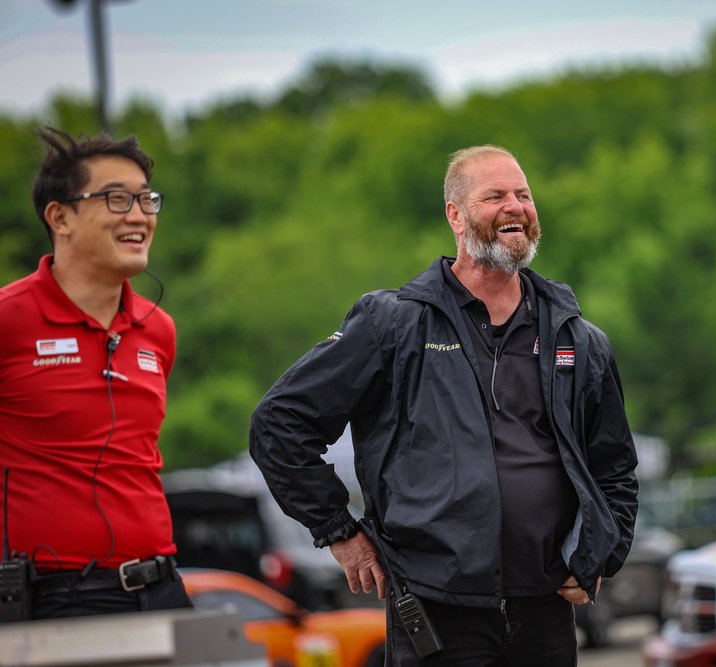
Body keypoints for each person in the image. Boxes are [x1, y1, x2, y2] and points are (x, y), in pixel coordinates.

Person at [249, 145, 638, 665]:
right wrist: (339, 532)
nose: (515, 207)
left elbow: (615, 467)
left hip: (546, 609)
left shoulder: (578, 338)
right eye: (494, 195)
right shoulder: (394, 324)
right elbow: (279, 424)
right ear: (455, 215)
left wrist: (597, 557)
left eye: (523, 195)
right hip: (435, 611)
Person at [0, 127, 192, 620]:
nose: (138, 215)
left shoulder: (159, 329)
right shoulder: (9, 319)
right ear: (59, 217)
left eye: (146, 199)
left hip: (161, 584)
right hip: (54, 597)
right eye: (115, 199)